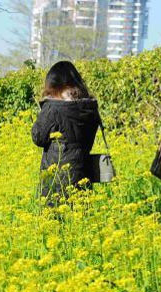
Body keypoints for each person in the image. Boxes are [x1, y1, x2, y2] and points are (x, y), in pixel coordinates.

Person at [31, 61, 103, 203]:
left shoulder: (53, 108)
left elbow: (38, 137)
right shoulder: (88, 106)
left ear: (52, 84)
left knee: (54, 220)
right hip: (83, 174)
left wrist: (45, 107)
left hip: (57, 178)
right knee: (78, 219)